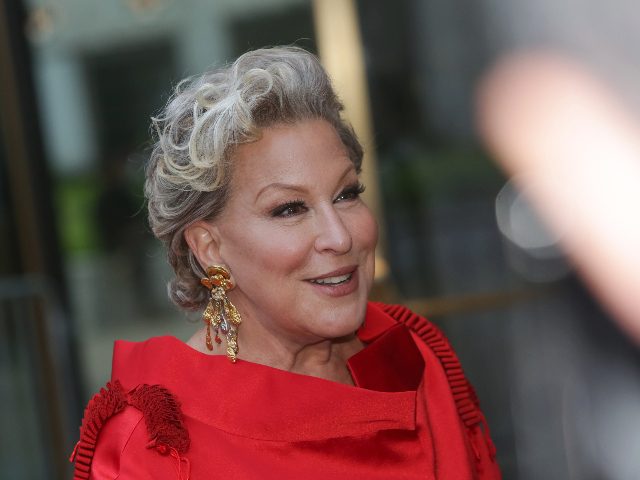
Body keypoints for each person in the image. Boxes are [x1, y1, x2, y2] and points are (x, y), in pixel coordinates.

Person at [70, 46, 501, 480]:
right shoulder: (157, 444)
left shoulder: (412, 356)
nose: (340, 236)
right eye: (289, 209)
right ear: (209, 247)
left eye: (346, 194)